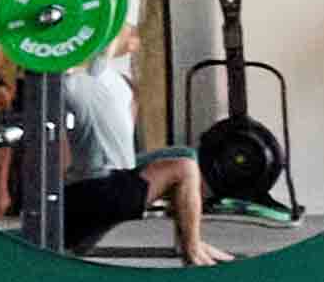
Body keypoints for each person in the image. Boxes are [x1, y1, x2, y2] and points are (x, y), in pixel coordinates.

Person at [50, 31, 210, 261]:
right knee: (184, 168)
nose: (133, 36)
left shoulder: (106, 76)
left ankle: (191, 242)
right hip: (98, 191)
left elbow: (109, 41)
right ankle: (193, 252)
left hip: (104, 184)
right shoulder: (72, 83)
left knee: (185, 156)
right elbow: (107, 37)